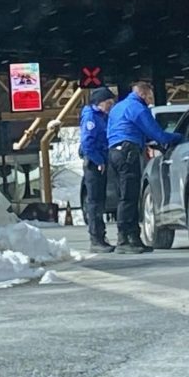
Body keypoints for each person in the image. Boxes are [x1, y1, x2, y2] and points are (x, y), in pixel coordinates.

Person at [107, 82, 183, 254]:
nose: (150, 101)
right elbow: (158, 134)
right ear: (142, 94)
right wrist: (179, 137)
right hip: (128, 153)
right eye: (149, 97)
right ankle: (125, 239)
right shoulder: (138, 108)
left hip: (114, 152)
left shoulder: (118, 108)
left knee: (124, 197)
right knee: (130, 197)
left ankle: (132, 238)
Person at [80, 87, 116, 254]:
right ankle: (96, 238)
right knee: (95, 202)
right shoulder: (91, 117)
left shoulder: (102, 116)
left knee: (99, 201)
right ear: (100, 102)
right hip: (95, 164)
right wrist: (99, 160)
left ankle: (100, 237)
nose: (111, 105)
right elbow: (88, 143)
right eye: (108, 102)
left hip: (100, 160)